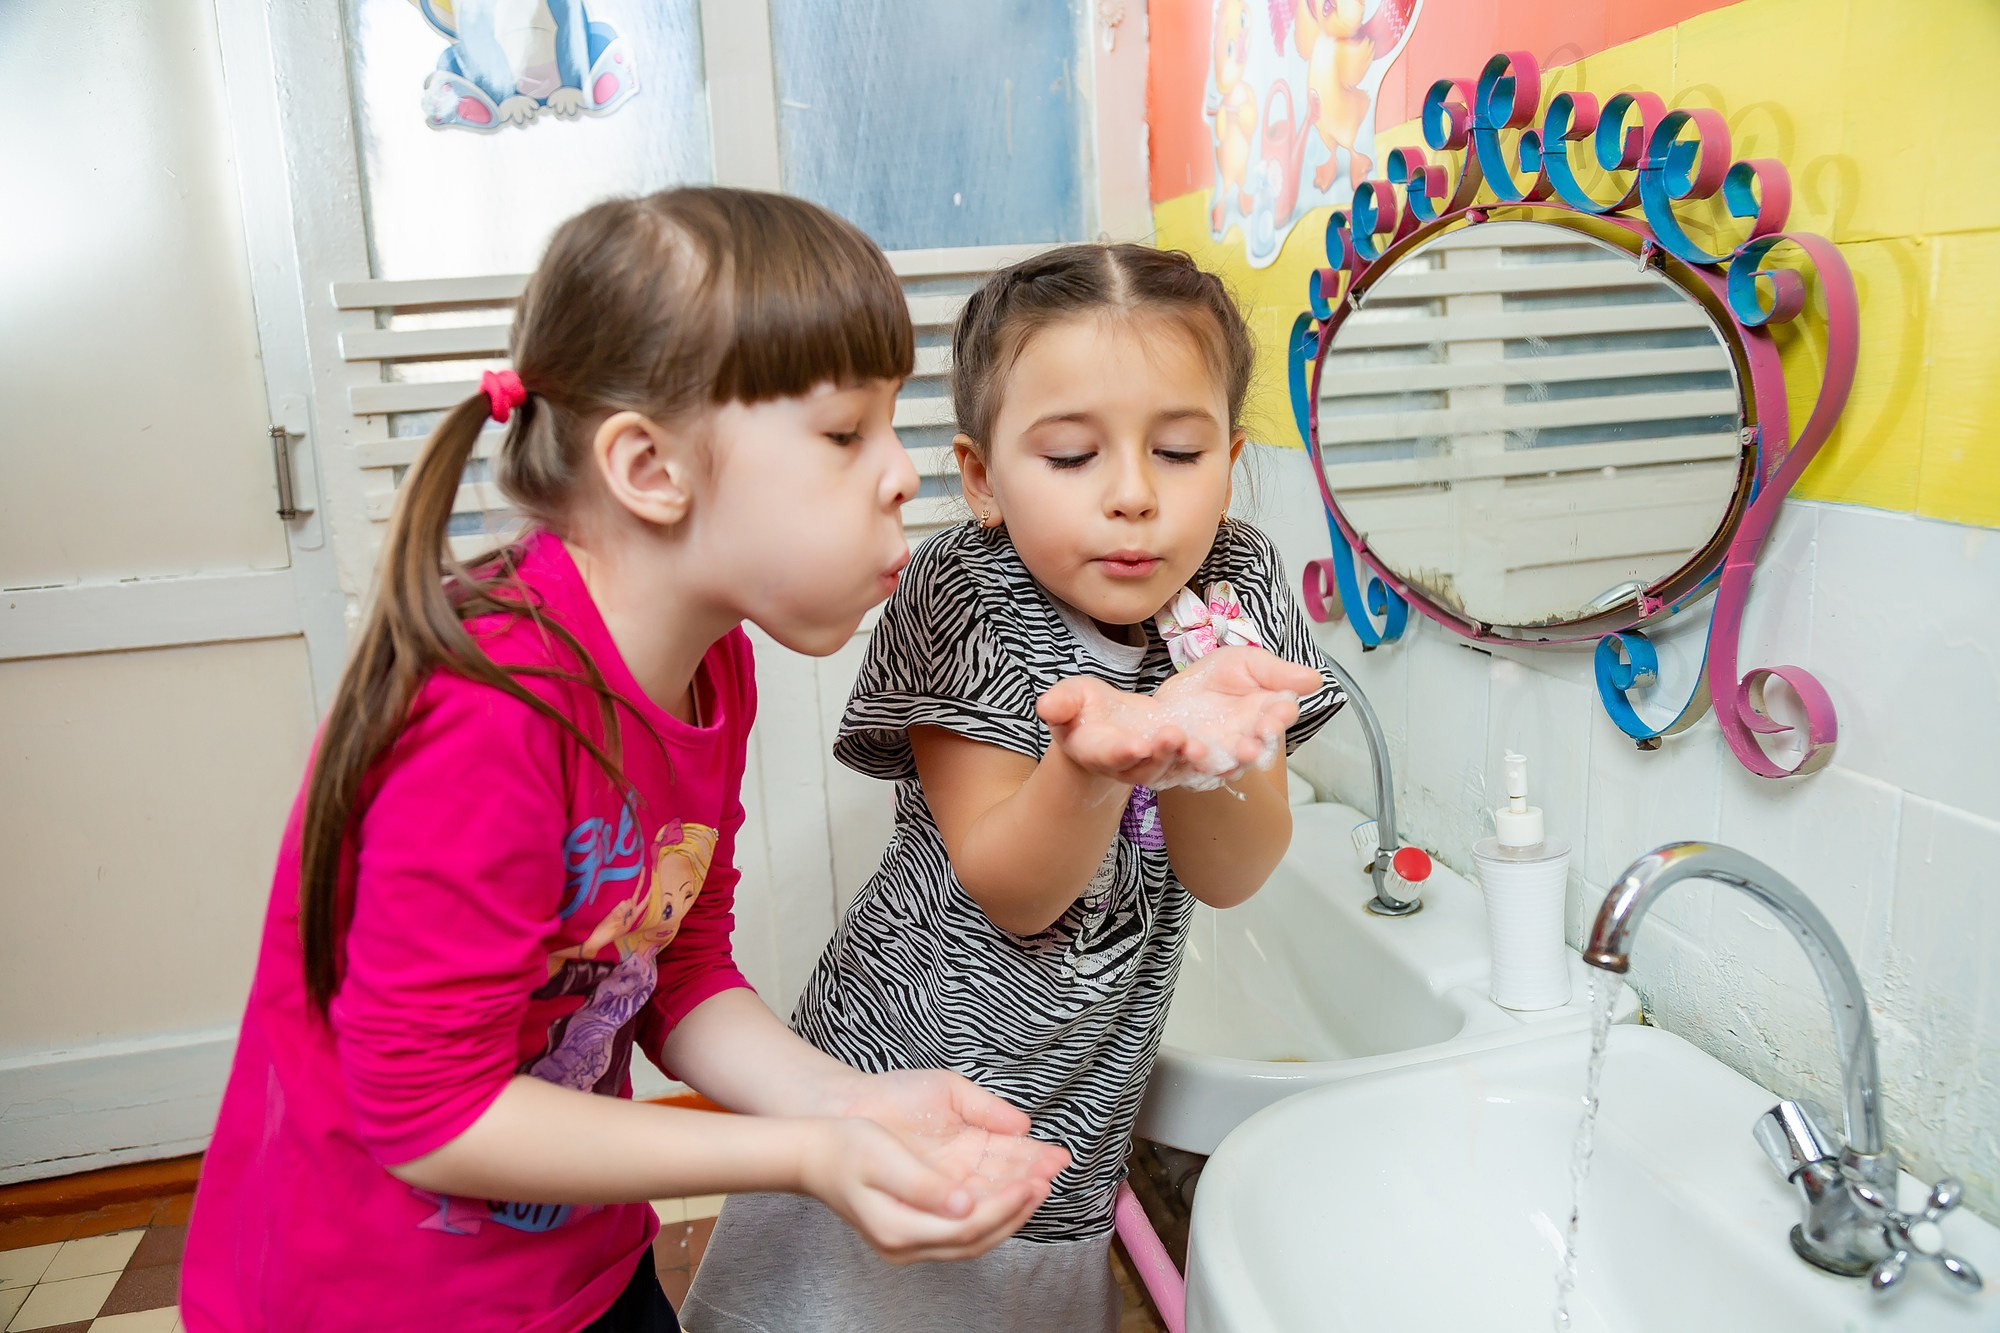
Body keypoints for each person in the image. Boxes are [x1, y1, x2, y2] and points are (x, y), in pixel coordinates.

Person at [179, 188, 1072, 1333]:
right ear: (650, 469)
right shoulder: (483, 707)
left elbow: (675, 966)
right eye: (846, 432)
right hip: (367, 1301)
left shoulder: (713, 668)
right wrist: (799, 1154)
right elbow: (432, 1115)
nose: (901, 474)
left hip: (575, 1273)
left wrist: (848, 1105)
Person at [684, 243, 1348, 1332]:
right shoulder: (968, 589)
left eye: (1178, 452)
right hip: (899, 1067)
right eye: (1073, 456)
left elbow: (1227, 872)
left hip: (1079, 1096)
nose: (1133, 497)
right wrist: (1094, 763)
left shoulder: (1234, 582)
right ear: (983, 476)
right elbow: (1014, 887)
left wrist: (1199, 734)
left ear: (1229, 459)